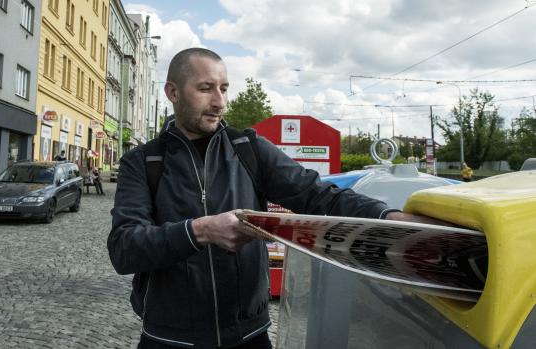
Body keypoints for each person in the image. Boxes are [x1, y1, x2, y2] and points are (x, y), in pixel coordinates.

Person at [108, 48, 445, 349]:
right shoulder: (143, 162)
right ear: (173, 92)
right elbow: (125, 249)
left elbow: (318, 196)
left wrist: (392, 219)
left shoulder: (249, 149)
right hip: (169, 339)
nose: (220, 103)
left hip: (249, 337)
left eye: (224, 89)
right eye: (206, 88)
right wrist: (201, 231)